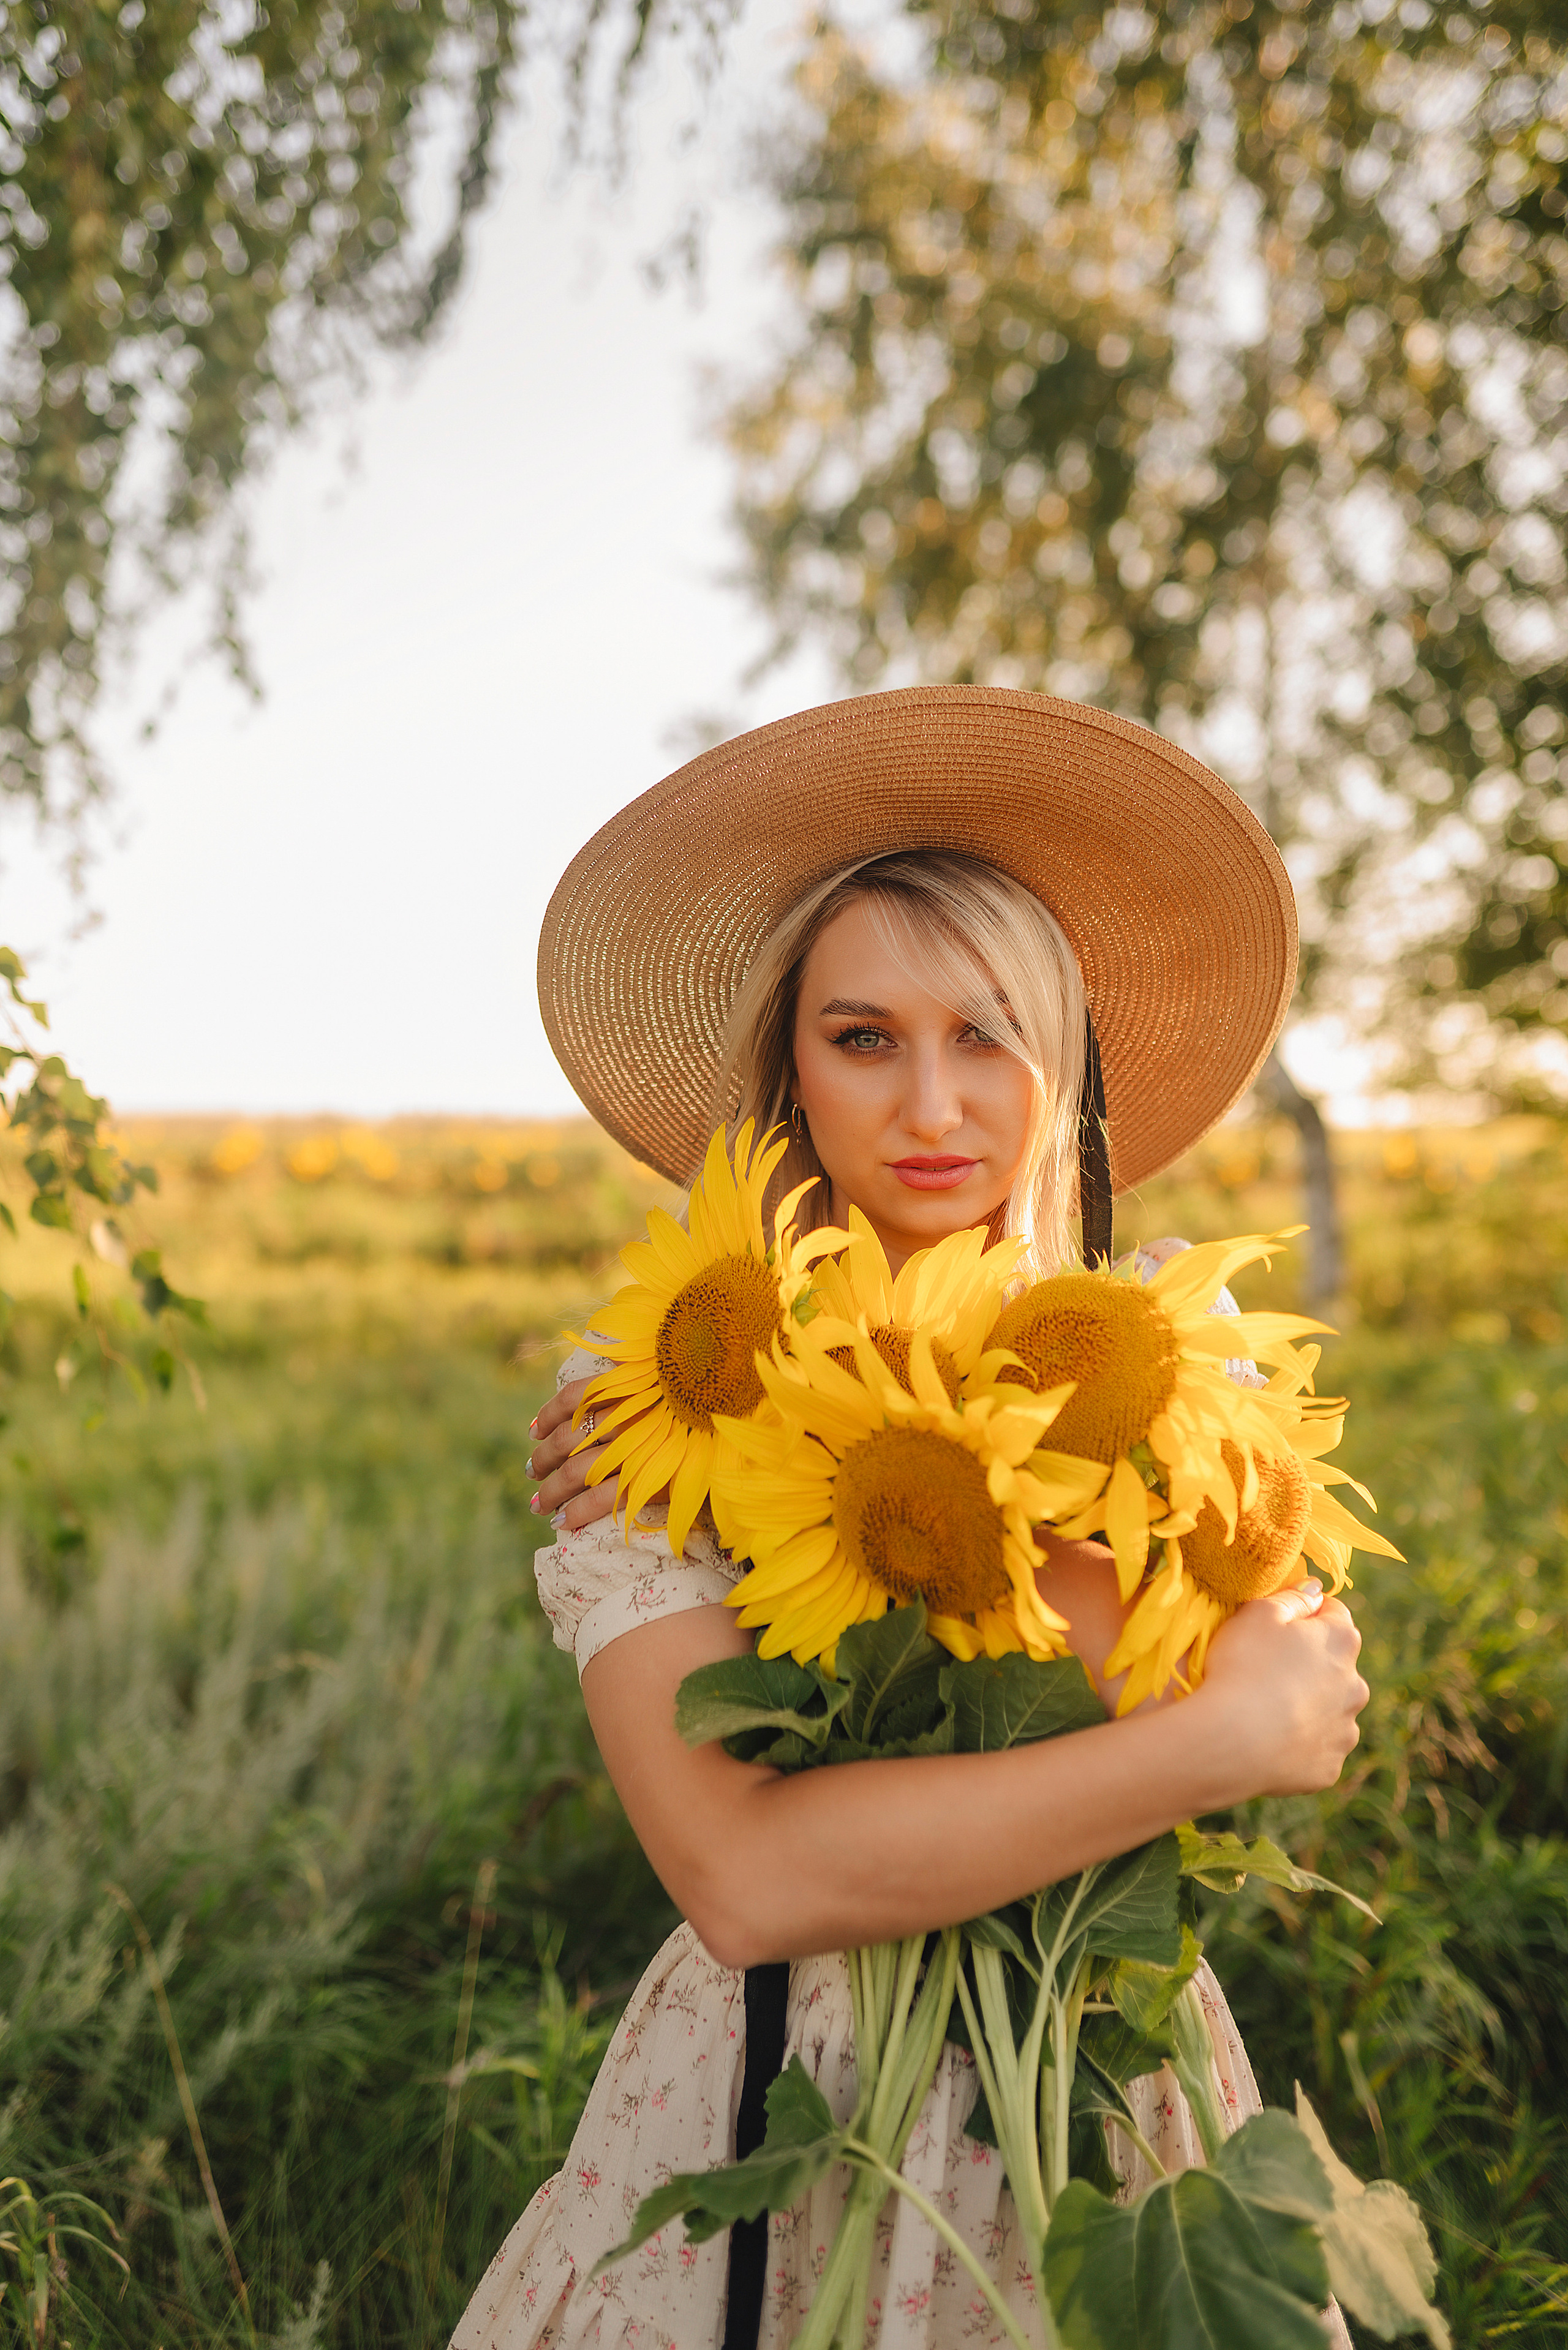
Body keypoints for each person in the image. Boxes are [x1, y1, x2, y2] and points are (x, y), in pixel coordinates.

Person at [453, 687, 1366, 2350]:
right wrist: (1205, 1739)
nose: (933, 1109)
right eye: (863, 1037)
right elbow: (743, 1877)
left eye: (986, 1034)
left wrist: (1188, 1657)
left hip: (1093, 2086)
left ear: (1063, 1055)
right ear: (789, 1075)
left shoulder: (1170, 1346)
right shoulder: (667, 1396)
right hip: (781, 2103)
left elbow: (1300, 1690)